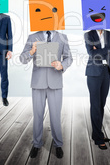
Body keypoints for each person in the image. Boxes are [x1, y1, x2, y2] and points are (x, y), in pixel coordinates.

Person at [19, 30, 72, 159]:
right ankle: (36, 144)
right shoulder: (32, 37)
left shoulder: (62, 37)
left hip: (55, 82)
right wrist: (32, 51)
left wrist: (62, 65)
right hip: (38, 83)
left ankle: (58, 144)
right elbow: (22, 59)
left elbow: (69, 57)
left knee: (55, 116)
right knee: (37, 116)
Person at [84, 29, 110, 150]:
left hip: (106, 71)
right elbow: (91, 53)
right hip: (93, 73)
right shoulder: (89, 34)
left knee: (101, 105)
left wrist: (99, 51)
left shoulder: (109, 34)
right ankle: (98, 138)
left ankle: (96, 134)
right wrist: (108, 50)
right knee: (95, 105)